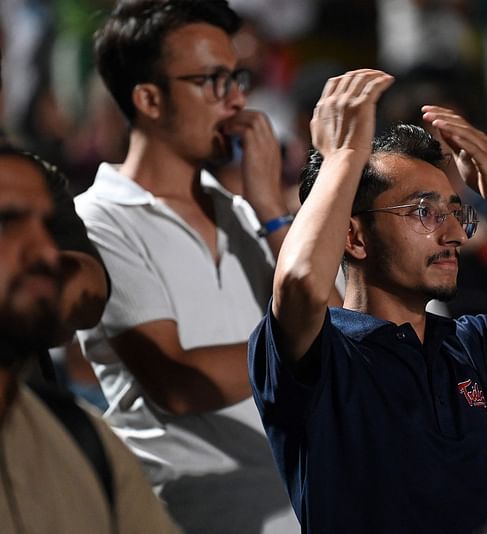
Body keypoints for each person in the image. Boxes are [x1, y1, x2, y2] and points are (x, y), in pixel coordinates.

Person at [248, 68, 487, 533]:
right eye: (424, 212)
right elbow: (300, 281)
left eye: (455, 212)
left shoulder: (473, 347)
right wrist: (344, 155)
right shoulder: (320, 354)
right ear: (353, 237)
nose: (454, 234)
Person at [75, 1, 298, 531]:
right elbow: (179, 382)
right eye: (214, 81)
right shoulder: (98, 219)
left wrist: (271, 213)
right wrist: (306, 341)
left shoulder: (250, 217)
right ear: (149, 98)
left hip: (299, 511)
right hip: (188, 518)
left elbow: (346, 338)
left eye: (238, 78)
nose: (238, 100)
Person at [0, 146, 179, 533]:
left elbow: (88, 290)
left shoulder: (84, 444)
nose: (47, 253)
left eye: (48, 226)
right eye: (7, 223)